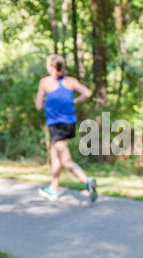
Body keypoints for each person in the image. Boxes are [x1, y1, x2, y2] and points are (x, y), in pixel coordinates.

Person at [35, 54, 97, 202]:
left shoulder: (45, 82)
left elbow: (38, 106)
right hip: (69, 124)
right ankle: (53, 189)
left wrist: (44, 99)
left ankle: (86, 181)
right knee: (55, 156)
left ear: (50, 66)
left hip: (56, 126)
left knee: (65, 160)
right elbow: (87, 93)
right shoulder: (70, 81)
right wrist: (75, 101)